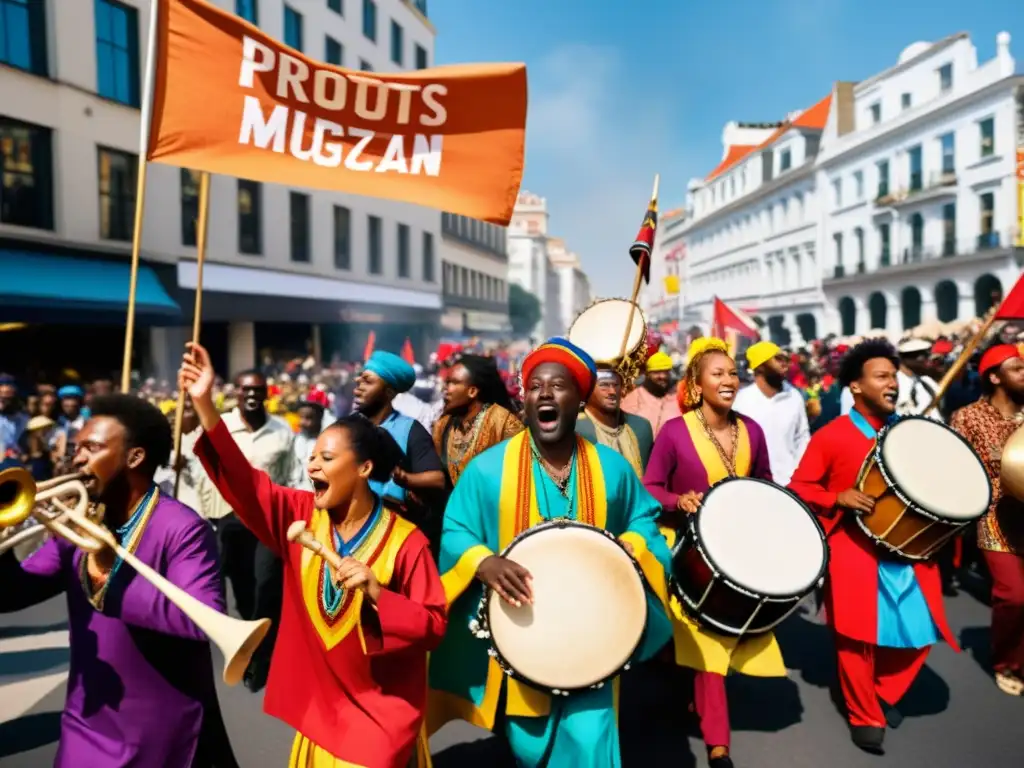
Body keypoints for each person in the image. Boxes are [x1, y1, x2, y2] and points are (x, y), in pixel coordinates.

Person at [180, 342, 447, 768]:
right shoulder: (300, 513)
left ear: (363, 469)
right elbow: (247, 484)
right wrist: (206, 406)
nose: (312, 467)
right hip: (320, 717)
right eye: (312, 457)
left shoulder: (406, 541)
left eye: (327, 457)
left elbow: (434, 626)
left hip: (380, 721)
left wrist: (380, 594)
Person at [427, 337, 672, 768]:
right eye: (534, 385)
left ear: (579, 400)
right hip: (525, 630)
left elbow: (643, 522)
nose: (544, 392)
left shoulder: (612, 469)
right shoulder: (489, 469)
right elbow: (455, 529)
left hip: (596, 629)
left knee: (592, 739)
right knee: (528, 744)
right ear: (524, 400)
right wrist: (483, 561)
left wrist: (627, 551)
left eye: (558, 385)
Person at [0, 394, 237, 767]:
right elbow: (12, 593)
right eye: (77, 448)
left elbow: (200, 620)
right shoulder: (76, 524)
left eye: (91, 448)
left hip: (164, 727)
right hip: (87, 720)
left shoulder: (183, 528)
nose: (77, 458)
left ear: (135, 457)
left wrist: (109, 569)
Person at [788, 339, 955, 754]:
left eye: (894, 376)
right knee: (856, 638)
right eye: (882, 377)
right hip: (852, 548)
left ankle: (883, 689)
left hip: (907, 549)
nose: (892, 384)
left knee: (920, 632)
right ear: (857, 387)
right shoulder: (832, 435)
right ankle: (864, 714)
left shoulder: (908, 431)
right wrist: (837, 497)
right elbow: (800, 485)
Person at [643, 338, 783, 768]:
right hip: (688, 549)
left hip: (737, 551)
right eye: (717, 374)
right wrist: (677, 501)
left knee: (714, 642)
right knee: (707, 648)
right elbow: (651, 487)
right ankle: (718, 746)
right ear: (696, 384)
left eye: (732, 373)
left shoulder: (752, 431)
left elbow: (764, 481)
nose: (728, 380)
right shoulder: (673, 432)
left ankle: (689, 690)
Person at [951, 343, 1024, 696]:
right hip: (997, 518)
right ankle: (1006, 661)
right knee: (1014, 596)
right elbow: (958, 469)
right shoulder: (967, 417)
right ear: (994, 376)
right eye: (1017, 368)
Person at [355, 350, 446, 543]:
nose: (358, 386)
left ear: (389, 392)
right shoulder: (347, 427)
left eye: (368, 381)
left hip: (393, 535)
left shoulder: (410, 429)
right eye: (359, 380)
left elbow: (437, 480)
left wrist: (403, 477)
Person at [433, 353, 523, 487]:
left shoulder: (504, 423)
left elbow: (519, 475)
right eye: (446, 382)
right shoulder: (443, 425)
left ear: (472, 391)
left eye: (453, 383)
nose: (445, 389)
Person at [733, 340, 810, 487]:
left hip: (790, 485)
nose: (785, 364)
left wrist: (800, 476)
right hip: (752, 486)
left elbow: (802, 438)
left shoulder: (794, 396)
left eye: (786, 359)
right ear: (760, 366)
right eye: (778, 359)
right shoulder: (741, 401)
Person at [576, 364, 654, 478]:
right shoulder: (574, 430)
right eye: (604, 385)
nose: (612, 391)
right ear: (588, 390)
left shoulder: (641, 427)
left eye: (616, 385)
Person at [621, 351, 681, 438]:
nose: (662, 376)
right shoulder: (635, 396)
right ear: (647, 374)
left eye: (666, 372)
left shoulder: (678, 395)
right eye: (657, 372)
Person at [895, 338, 942, 419]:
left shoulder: (927, 381)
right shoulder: (894, 382)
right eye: (923, 355)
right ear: (908, 358)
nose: (927, 359)